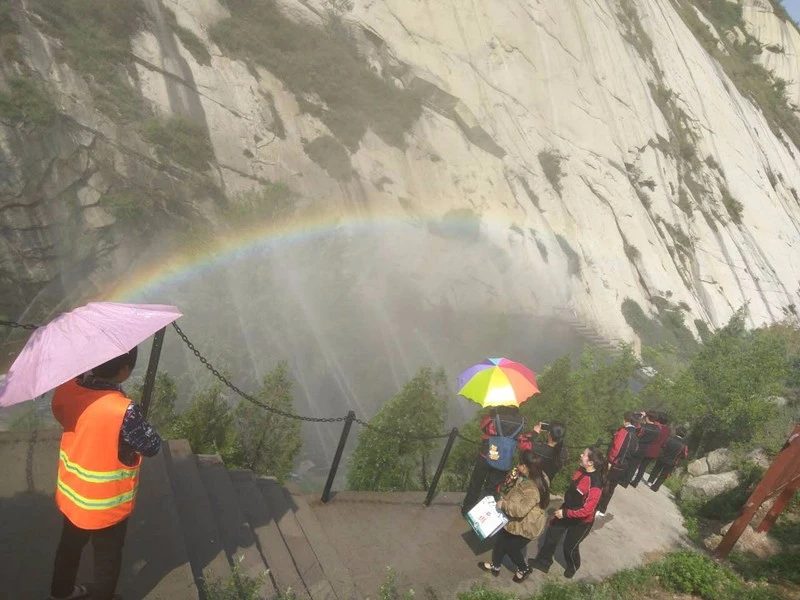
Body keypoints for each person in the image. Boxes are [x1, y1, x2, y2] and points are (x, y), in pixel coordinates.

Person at [49, 348, 162, 600]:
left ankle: (60, 593)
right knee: (107, 560)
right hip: (106, 505)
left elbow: (61, 413)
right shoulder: (124, 411)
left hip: (73, 493)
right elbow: (151, 445)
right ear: (124, 370)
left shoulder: (68, 387)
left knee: (69, 546)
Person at [529, 446, 607, 579]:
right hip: (567, 510)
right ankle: (543, 562)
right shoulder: (580, 471)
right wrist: (564, 510)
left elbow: (587, 510)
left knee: (569, 547)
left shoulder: (595, 485)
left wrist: (565, 513)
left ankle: (573, 566)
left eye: (584, 454)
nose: (581, 455)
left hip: (582, 521)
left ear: (590, 462)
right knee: (552, 535)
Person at [477, 451, 550, 582]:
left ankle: (524, 569)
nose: (517, 465)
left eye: (519, 463)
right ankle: (495, 566)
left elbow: (521, 510)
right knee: (501, 541)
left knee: (511, 549)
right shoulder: (533, 476)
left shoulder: (532, 489)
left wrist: (504, 505)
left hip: (526, 526)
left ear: (525, 466)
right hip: (515, 521)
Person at [462, 405, 527, 516]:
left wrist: (491, 412)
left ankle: (467, 509)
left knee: (476, 483)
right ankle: (484, 515)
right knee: (492, 489)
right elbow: (521, 437)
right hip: (504, 458)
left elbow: (483, 427)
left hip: (486, 455)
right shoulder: (522, 421)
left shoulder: (495, 416)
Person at [596, 412, 638, 516]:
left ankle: (596, 506)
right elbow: (635, 450)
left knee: (604, 484)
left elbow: (616, 448)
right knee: (611, 488)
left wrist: (610, 461)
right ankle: (602, 509)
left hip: (614, 463)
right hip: (624, 465)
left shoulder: (623, 431)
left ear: (626, 421)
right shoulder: (636, 436)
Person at [647, 426, 689, 492]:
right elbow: (684, 455)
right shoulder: (684, 446)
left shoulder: (668, 439)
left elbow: (663, 445)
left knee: (656, 469)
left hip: (662, 457)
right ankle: (655, 487)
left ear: (676, 432)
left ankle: (650, 481)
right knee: (663, 475)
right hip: (671, 461)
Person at [627, 411, 661, 487]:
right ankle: (626, 481)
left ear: (647, 417)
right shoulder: (658, 429)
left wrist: (639, 417)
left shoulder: (643, 427)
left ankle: (623, 478)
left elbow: (634, 427)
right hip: (646, 447)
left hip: (637, 445)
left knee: (629, 462)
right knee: (634, 465)